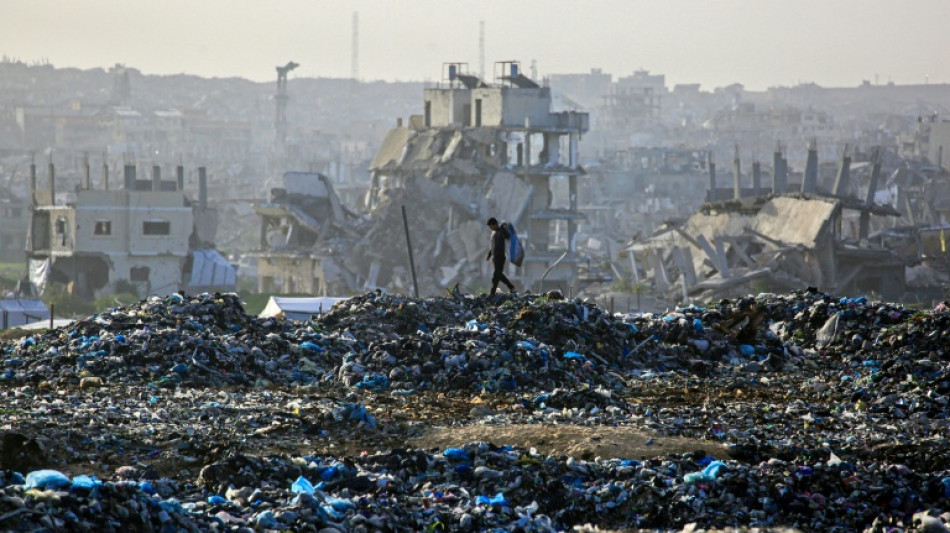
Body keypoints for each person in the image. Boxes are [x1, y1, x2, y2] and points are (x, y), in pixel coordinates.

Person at [485, 217, 516, 295]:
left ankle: (493, 292)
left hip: (500, 257)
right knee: (499, 275)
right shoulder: (494, 234)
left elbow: (508, 236)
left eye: (491, 226)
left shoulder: (501, 231)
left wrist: (502, 227)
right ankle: (511, 287)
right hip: (495, 257)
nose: (490, 228)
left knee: (496, 275)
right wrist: (489, 254)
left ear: (495, 225)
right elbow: (493, 246)